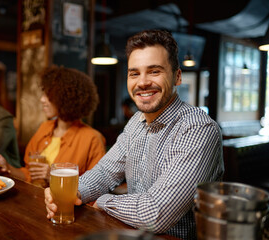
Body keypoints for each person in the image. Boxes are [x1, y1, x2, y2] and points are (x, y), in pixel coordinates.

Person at [44, 30, 224, 239]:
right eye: (134, 73)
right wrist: (74, 192)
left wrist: (99, 200)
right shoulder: (136, 123)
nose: (143, 82)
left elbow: (157, 213)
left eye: (154, 71)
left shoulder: (198, 129)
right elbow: (104, 172)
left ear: (177, 76)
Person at [0, 66, 106, 186]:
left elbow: (96, 187)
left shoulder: (93, 139)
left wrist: (53, 176)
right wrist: (7, 167)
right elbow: (29, 175)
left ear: (66, 98)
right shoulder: (44, 128)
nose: (42, 99)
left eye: (48, 95)